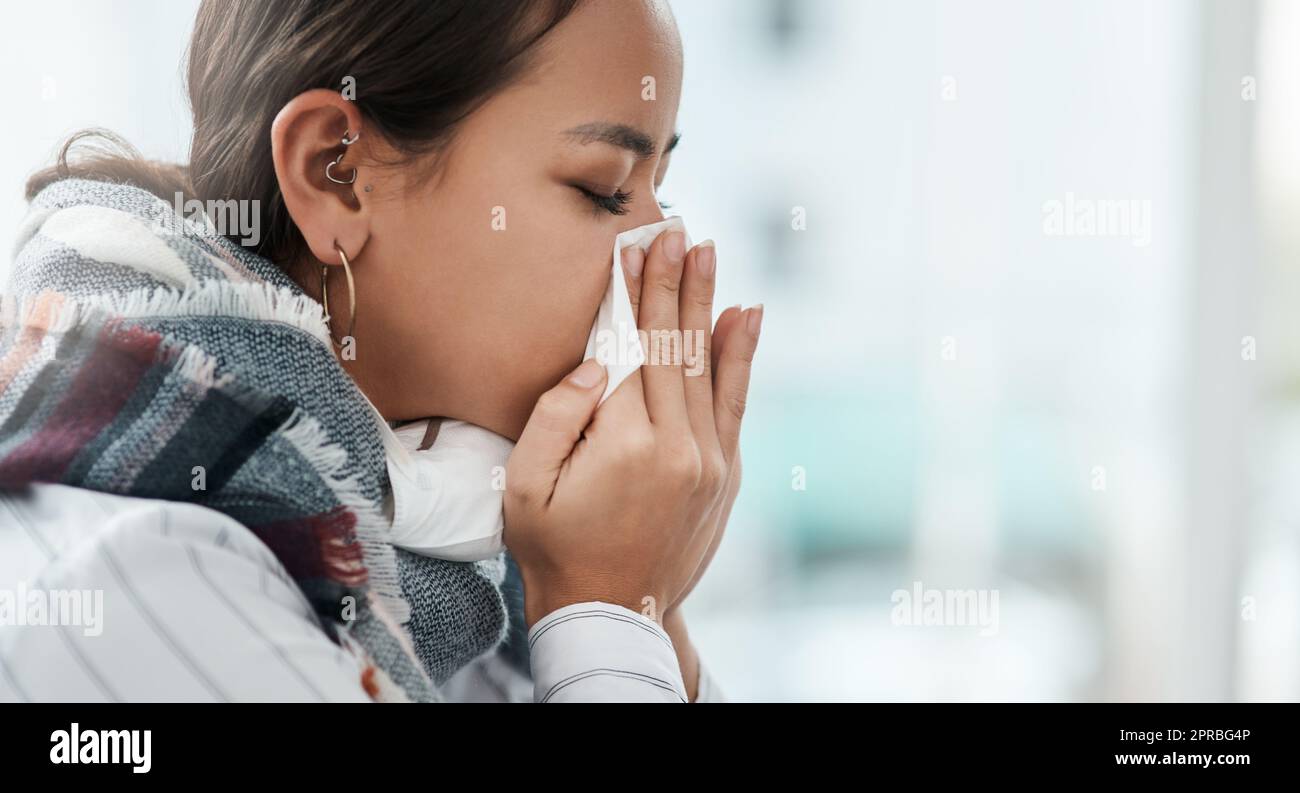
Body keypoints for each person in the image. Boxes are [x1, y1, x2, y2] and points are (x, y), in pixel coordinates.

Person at [0, 0, 760, 702]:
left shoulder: (467, 573)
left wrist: (640, 603)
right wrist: (608, 610)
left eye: (663, 184)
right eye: (604, 188)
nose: (665, 247)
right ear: (337, 175)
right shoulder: (146, 584)